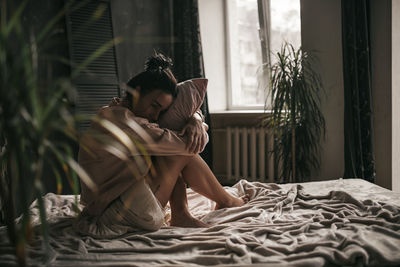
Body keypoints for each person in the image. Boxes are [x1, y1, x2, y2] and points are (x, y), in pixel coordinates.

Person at [75, 53, 248, 236]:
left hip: (118, 205)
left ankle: (184, 213)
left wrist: (195, 118)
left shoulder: (116, 111)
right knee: (180, 150)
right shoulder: (125, 123)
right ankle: (224, 202)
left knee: (169, 149)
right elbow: (186, 144)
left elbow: (172, 130)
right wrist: (197, 124)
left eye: (161, 110)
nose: (155, 115)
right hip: (117, 213)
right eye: (154, 105)